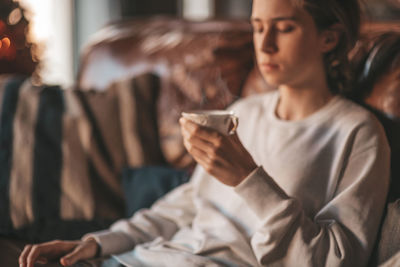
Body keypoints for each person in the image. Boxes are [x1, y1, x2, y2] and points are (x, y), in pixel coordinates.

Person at [19, 0, 390, 266]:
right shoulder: (243, 112)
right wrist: (96, 243)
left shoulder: (357, 133)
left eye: (285, 27)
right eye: (258, 26)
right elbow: (186, 204)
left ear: (329, 38)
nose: (265, 44)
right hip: (148, 257)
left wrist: (248, 178)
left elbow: (334, 259)